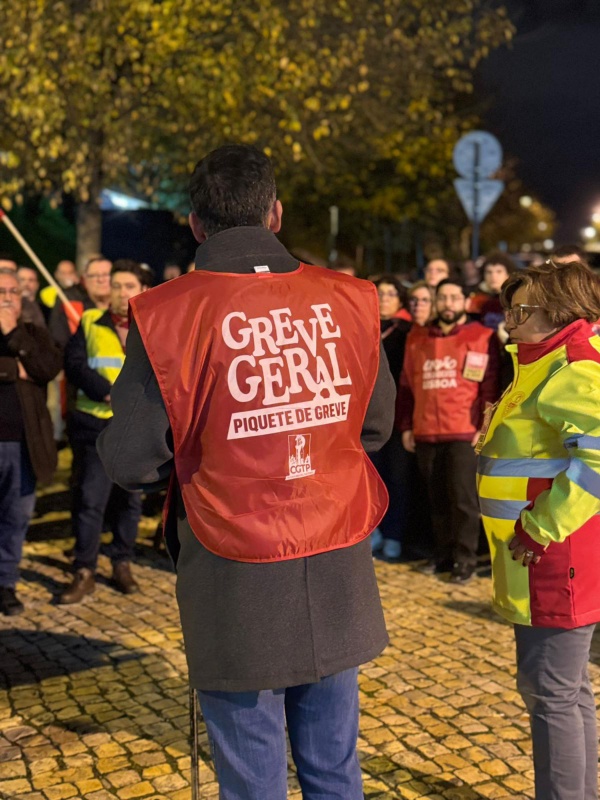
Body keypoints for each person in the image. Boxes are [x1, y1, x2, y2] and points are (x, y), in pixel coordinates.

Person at [97, 143, 395, 800]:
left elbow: (130, 457)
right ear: (277, 212)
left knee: (253, 780)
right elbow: (374, 427)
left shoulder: (167, 313)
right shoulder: (350, 299)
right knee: (334, 769)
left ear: (197, 225)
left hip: (234, 577)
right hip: (336, 565)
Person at [476, 260, 600, 799]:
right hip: (546, 558)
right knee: (569, 691)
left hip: (552, 560)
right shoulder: (542, 363)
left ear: (558, 312)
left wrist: (538, 528)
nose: (508, 320)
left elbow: (597, 463)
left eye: (520, 310)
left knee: (550, 692)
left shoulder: (571, 368)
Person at [58, 260, 149, 604]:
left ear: (142, 291)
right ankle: (84, 570)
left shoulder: (153, 327)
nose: (120, 292)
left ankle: (121, 563)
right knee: (90, 500)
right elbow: (75, 364)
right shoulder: (91, 322)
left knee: (129, 501)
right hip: (96, 425)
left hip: (135, 428)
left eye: (128, 286)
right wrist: (107, 390)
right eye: (116, 285)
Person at [398, 278, 500, 583]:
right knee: (436, 499)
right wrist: (406, 425)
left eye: (454, 298)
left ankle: (465, 560)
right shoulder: (417, 338)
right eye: (442, 298)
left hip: (463, 432)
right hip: (426, 429)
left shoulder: (482, 336)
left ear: (466, 302)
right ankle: (442, 556)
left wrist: (484, 427)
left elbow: (489, 387)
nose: (448, 304)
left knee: (463, 501)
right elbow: (406, 384)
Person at [0, 268, 62, 615]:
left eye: (13, 291)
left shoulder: (32, 333)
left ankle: (5, 583)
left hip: (24, 445)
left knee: (16, 517)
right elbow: (27, 371)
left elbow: (47, 367)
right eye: (1, 291)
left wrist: (11, 334)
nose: (8, 297)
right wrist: (13, 370)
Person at [369, 276, 413, 561]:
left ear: (400, 299)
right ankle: (373, 531)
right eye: (379, 293)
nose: (384, 298)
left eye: (390, 294)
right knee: (371, 477)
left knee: (397, 479)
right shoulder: (362, 325)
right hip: (368, 416)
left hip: (398, 415)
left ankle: (394, 534)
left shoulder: (407, 332)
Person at [49, 256, 112, 348]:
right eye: (94, 275)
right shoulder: (68, 301)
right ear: (85, 279)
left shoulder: (125, 305)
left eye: (106, 275)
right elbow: (59, 342)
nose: (101, 280)